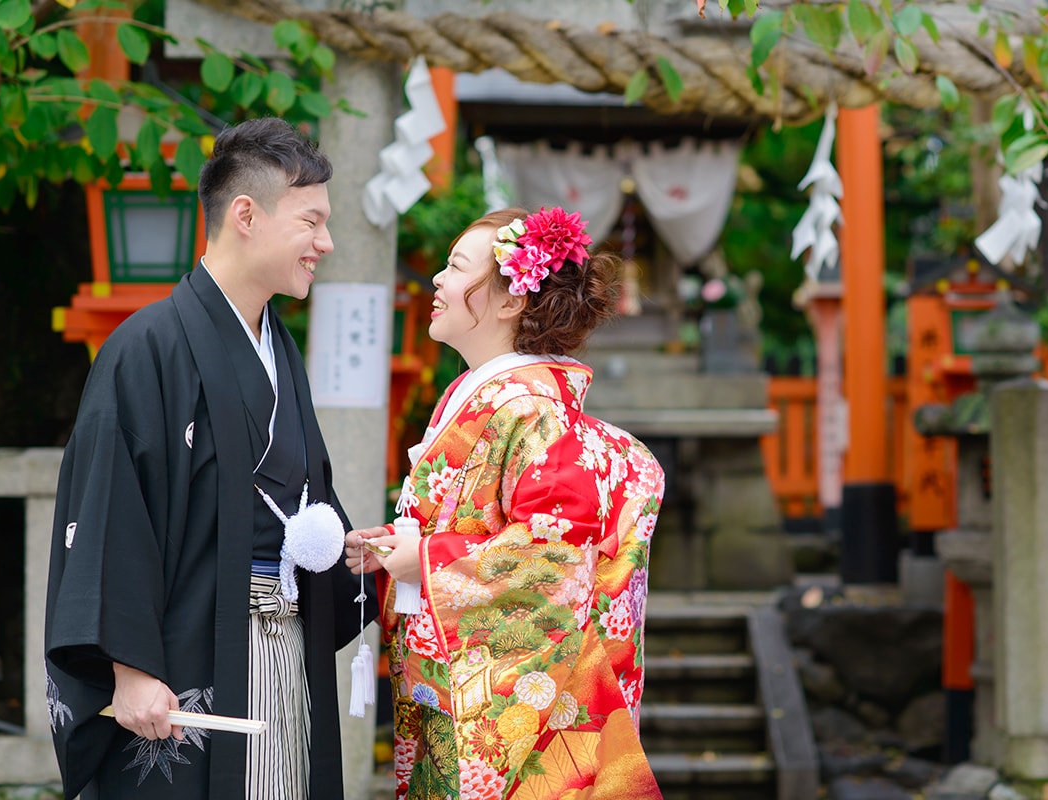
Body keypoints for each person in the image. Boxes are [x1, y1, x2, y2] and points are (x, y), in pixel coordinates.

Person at [44, 117, 376, 800]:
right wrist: (127, 666)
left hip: (282, 643)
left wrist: (360, 559)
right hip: (187, 649)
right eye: (311, 222)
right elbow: (110, 506)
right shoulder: (147, 347)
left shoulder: (279, 350)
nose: (326, 243)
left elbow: (301, 505)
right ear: (246, 215)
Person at [345, 207, 666, 799]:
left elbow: (553, 554)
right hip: (448, 673)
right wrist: (403, 551)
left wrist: (431, 559)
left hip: (493, 695)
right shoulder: (496, 394)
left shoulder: (527, 404)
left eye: (455, 266)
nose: (437, 280)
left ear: (511, 302)